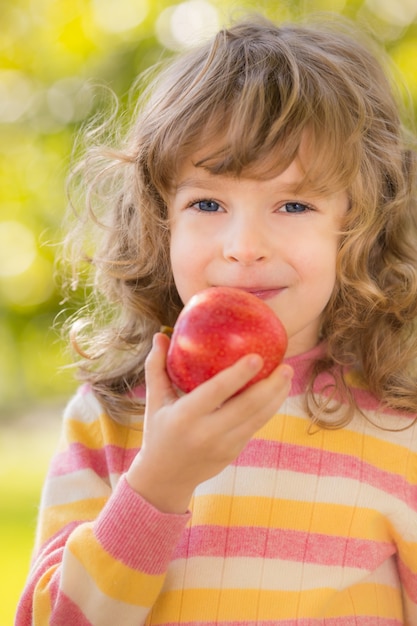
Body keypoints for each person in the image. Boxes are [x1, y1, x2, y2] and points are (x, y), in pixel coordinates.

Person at [16, 11, 417, 625]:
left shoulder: (398, 423)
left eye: (292, 203)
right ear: (160, 221)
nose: (244, 244)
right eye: (207, 202)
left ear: (360, 224)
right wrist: (157, 488)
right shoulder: (111, 417)